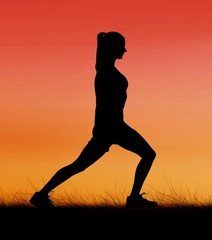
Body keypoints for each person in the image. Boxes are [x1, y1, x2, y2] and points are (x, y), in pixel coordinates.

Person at [29, 31, 158, 208]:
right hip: (111, 127)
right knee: (148, 154)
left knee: (79, 165)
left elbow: (99, 40)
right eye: (121, 47)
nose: (125, 51)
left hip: (111, 127)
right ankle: (134, 198)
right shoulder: (104, 70)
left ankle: (41, 195)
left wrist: (101, 38)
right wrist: (102, 38)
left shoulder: (103, 68)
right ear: (112, 49)